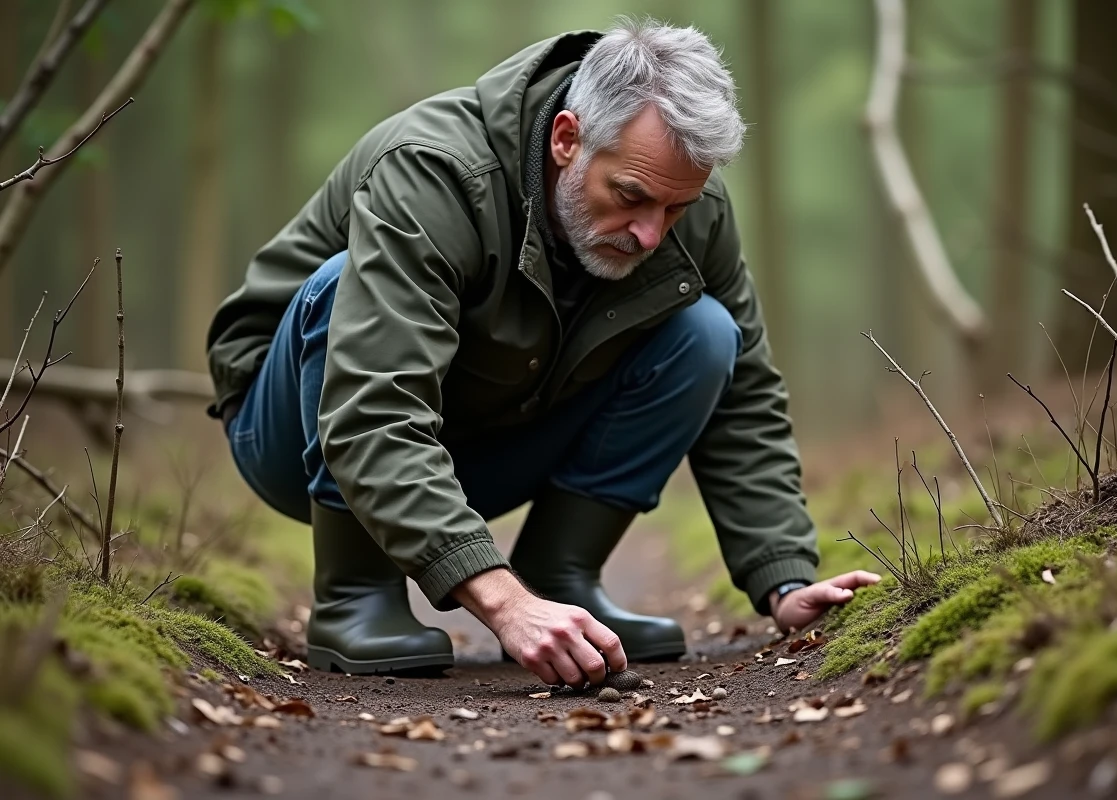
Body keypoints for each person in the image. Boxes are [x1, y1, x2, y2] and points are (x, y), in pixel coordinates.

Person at [206, 17, 880, 688]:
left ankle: (564, 577)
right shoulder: (432, 172)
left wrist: (782, 578)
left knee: (706, 334)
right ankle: (356, 593)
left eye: (675, 207)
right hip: (297, 426)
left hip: (484, 427)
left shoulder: (685, 204)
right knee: (341, 283)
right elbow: (374, 406)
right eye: (631, 197)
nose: (651, 234)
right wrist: (502, 602)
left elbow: (745, 393)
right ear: (566, 138)